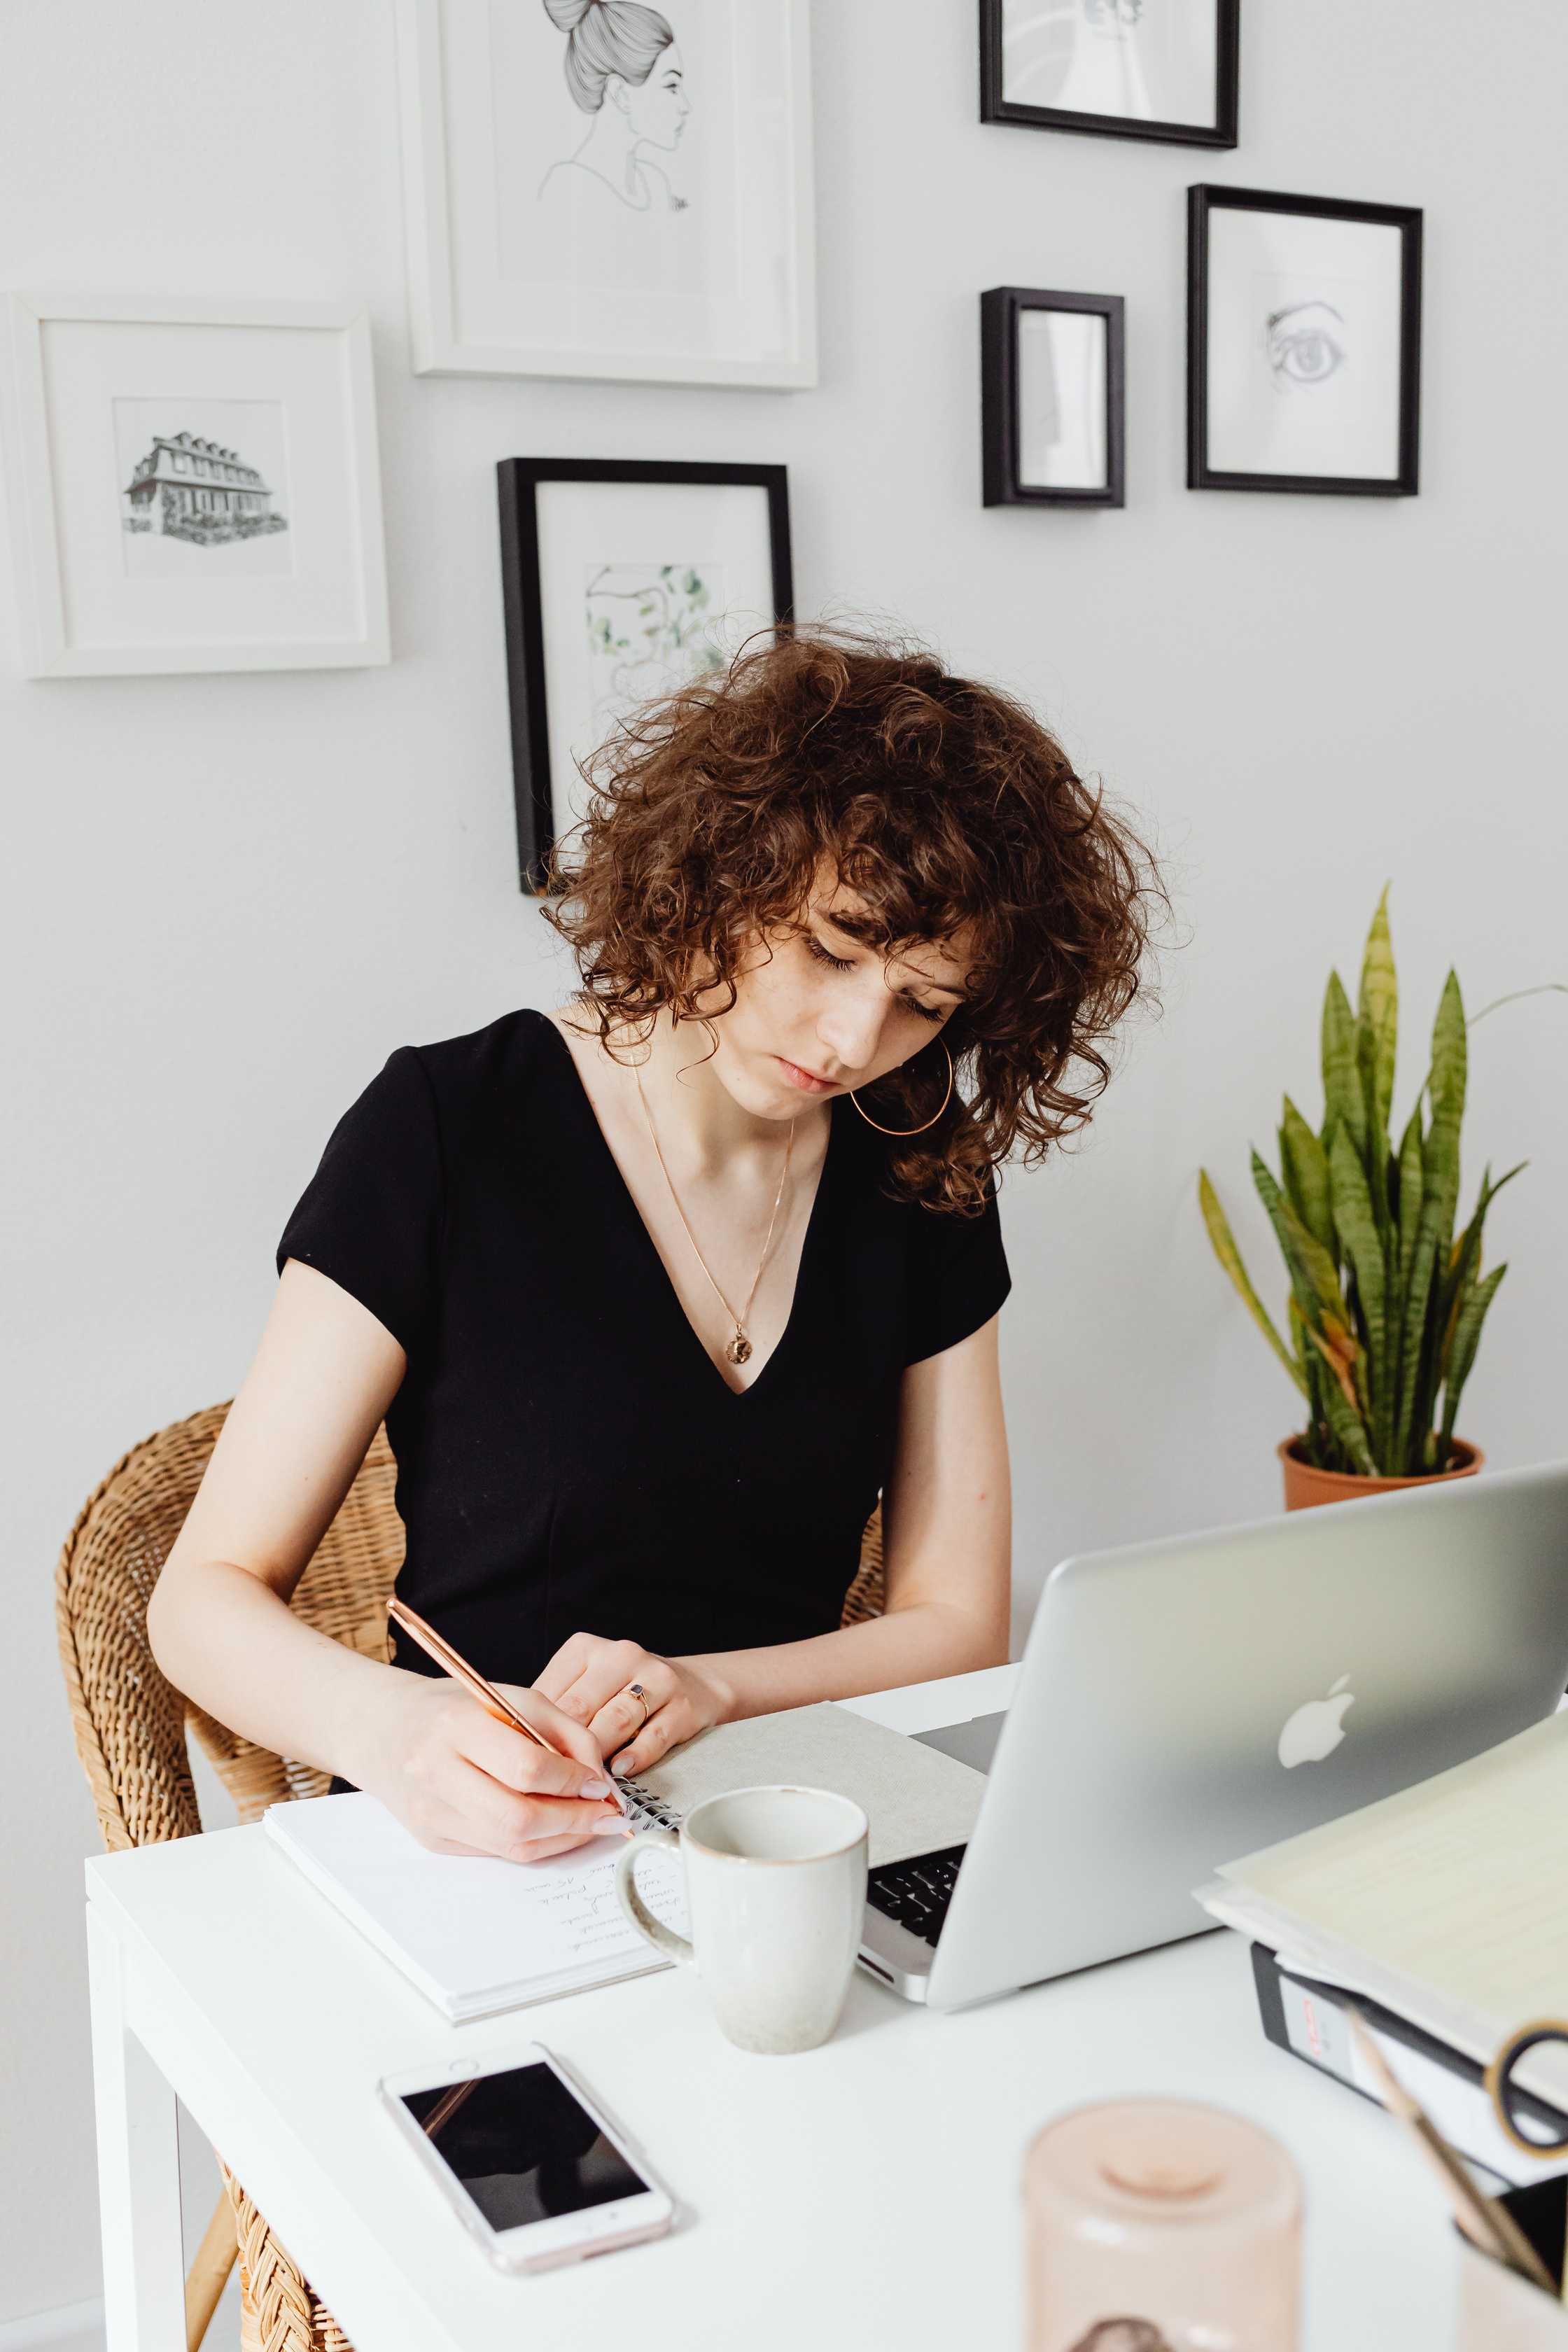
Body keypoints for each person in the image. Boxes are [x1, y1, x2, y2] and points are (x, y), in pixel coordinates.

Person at [148, 632, 1158, 1872]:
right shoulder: (450, 1127)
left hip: (793, 1842)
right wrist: (393, 1728)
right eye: (831, 952)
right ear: (729, 873)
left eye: (925, 1005)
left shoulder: (918, 1165)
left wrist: (714, 1689)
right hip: (488, 1844)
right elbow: (201, 1601)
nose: (852, 1039)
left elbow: (956, 1626)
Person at [536, 0, 690, 216]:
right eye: (672, 86)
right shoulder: (565, 192)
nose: (686, 106)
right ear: (621, 94)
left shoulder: (655, 184)